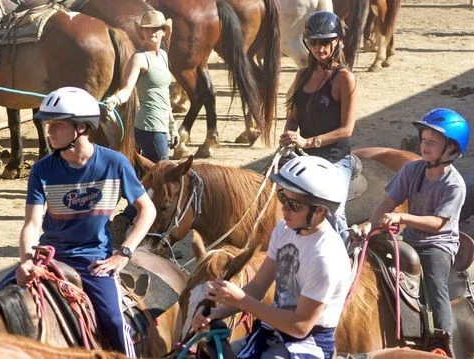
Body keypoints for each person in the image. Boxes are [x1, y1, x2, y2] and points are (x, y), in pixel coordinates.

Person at [15, 87, 157, 355]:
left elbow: (146, 210)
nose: (49, 131)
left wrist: (123, 253)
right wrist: (25, 261)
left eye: (57, 124)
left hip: (93, 263)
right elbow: (32, 225)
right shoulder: (42, 169)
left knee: (115, 322)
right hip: (50, 259)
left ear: (81, 127)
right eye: (48, 124)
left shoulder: (115, 164)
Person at [191, 156, 351, 359]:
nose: (284, 208)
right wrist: (218, 312)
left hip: (307, 344)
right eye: (283, 197)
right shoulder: (285, 229)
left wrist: (241, 301)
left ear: (319, 210)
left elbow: (300, 326)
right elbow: (258, 286)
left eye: (294, 205)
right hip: (273, 330)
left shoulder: (325, 258)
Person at [366, 108, 470, 356]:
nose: (425, 146)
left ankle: (442, 341)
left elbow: (437, 224)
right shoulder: (412, 170)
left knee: (435, 281)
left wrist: (402, 217)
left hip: (438, 244)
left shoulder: (454, 184)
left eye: (433, 142)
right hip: (410, 237)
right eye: (424, 139)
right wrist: (369, 229)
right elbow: (388, 202)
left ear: (452, 150)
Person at [279, 11, 357, 244]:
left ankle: (346, 256)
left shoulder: (344, 78)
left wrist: (307, 142)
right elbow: (293, 117)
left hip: (335, 159)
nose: (319, 48)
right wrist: (288, 137)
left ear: (337, 42)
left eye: (325, 42)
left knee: (333, 212)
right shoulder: (302, 74)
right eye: (314, 42)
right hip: (304, 156)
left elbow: (347, 130)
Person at [105, 10, 179, 162]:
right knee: (161, 171)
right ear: (142, 31)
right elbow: (126, 89)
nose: (152, 31)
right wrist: (115, 99)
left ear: (164, 31)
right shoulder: (139, 58)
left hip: (162, 125)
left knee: (150, 174)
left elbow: (164, 94)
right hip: (149, 126)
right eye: (147, 28)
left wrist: (172, 125)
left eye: (156, 28)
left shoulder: (164, 56)